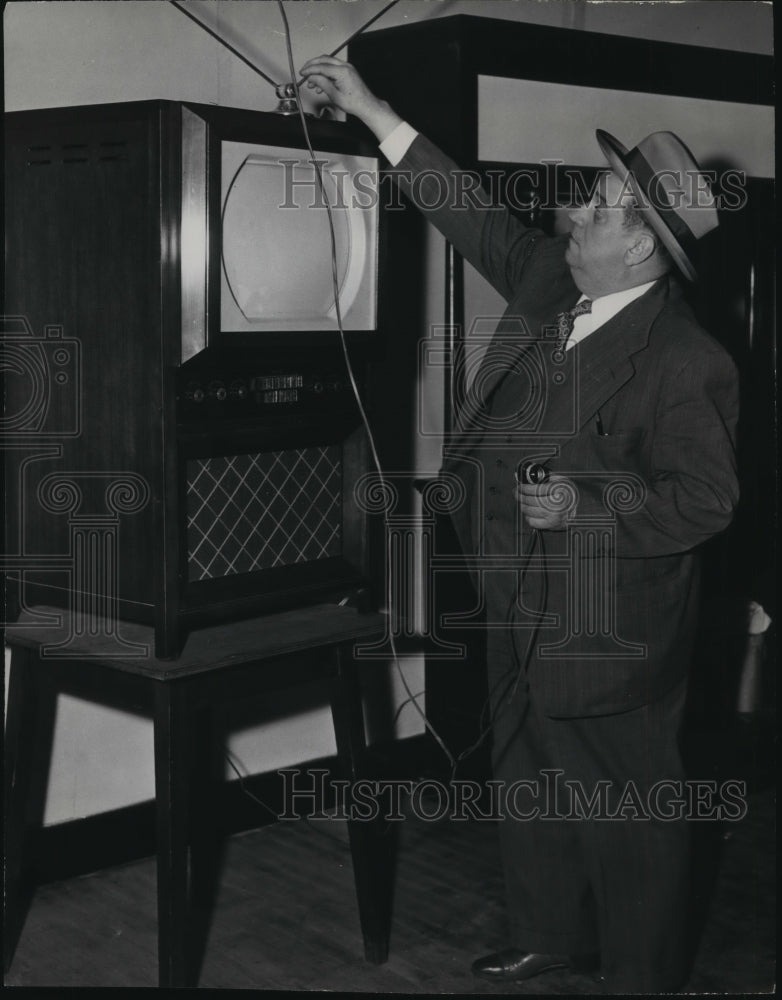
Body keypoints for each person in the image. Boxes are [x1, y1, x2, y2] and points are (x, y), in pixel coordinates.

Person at [299, 55, 739, 993]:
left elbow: (706, 500)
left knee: (630, 808)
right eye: (585, 198)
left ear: (644, 248)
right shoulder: (550, 278)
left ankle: (641, 976)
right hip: (513, 578)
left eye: (596, 209)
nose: (569, 215)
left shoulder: (687, 360)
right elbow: (467, 207)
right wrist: (372, 109)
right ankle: (547, 931)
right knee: (529, 766)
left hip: (608, 618)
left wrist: (590, 504)